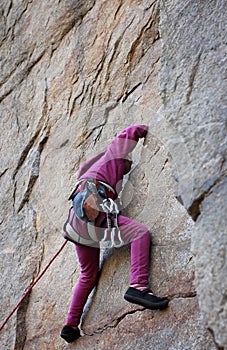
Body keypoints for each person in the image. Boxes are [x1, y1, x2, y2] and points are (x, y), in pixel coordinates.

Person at [60, 125, 169, 343]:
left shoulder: (88, 170)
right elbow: (128, 133)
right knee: (140, 233)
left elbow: (83, 169)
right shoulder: (112, 159)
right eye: (127, 163)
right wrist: (149, 128)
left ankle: (70, 325)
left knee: (88, 274)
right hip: (95, 219)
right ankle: (138, 286)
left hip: (77, 226)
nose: (127, 168)